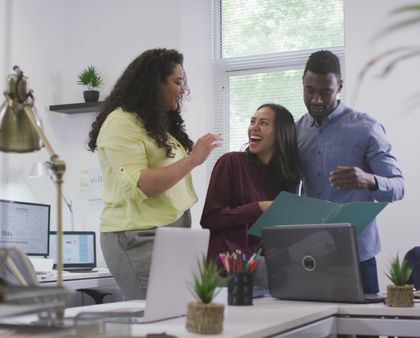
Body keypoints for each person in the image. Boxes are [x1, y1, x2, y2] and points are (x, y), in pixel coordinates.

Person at [87, 48, 221, 300]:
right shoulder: (121, 123)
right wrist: (193, 160)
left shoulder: (151, 124)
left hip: (168, 233)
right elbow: (142, 184)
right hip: (138, 236)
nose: (183, 89)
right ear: (153, 84)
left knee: (174, 313)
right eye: (177, 82)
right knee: (154, 314)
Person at [295, 50, 405, 295]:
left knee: (364, 329)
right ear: (302, 83)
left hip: (358, 253)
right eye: (310, 90)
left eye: (325, 92)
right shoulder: (296, 131)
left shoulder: (366, 128)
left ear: (340, 86)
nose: (316, 100)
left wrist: (369, 180)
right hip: (312, 252)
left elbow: (399, 187)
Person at [201, 103, 300, 272]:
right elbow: (210, 219)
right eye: (253, 121)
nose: (254, 128)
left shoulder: (288, 177)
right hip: (228, 265)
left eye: (263, 123)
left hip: (267, 266)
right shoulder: (230, 162)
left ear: (280, 133)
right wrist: (258, 207)